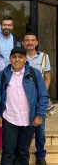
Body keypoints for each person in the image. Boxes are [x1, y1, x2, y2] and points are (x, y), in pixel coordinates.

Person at [0, 47, 49, 165]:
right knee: (8, 152)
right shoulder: (3, 74)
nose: (17, 60)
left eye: (20, 57)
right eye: (14, 57)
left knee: (23, 151)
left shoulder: (34, 73)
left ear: (25, 59)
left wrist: (39, 115)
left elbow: (43, 96)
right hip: (9, 119)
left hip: (29, 120)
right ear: (10, 59)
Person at [22, 32, 51, 165]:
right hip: (23, 98)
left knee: (40, 129)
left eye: (32, 40)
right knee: (24, 128)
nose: (30, 42)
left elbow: (47, 77)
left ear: (37, 42)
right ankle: (23, 154)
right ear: (23, 43)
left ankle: (40, 155)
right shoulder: (19, 57)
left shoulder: (44, 57)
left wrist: (42, 93)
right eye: (27, 40)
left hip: (39, 98)